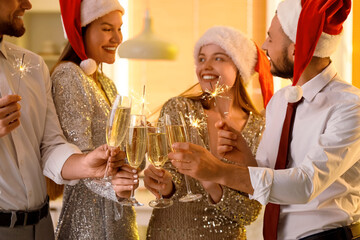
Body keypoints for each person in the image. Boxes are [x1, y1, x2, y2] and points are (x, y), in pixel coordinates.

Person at [170, 0, 360, 239]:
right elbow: (266, 174)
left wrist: (219, 171)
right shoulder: (280, 102)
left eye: (271, 37)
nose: (263, 45)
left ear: (295, 47)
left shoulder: (350, 106)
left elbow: (306, 184)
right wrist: (245, 156)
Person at [0, 0, 124, 239]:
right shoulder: (68, 75)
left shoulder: (33, 66)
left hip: (42, 226)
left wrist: (86, 163)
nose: (27, 4)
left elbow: (51, 146)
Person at [144, 26, 273, 239]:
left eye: (219, 59)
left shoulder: (260, 128)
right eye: (202, 59)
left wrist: (212, 183)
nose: (206, 67)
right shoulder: (178, 109)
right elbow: (169, 186)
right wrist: (164, 185)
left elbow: (250, 212)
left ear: (239, 67)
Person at [48, 0, 140, 239]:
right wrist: (116, 188)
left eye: (119, 29)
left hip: (119, 214)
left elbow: (120, 154)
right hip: (89, 221)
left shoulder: (106, 83)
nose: (117, 38)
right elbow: (80, 156)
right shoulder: (68, 75)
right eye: (107, 29)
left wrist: (139, 145)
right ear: (82, 29)